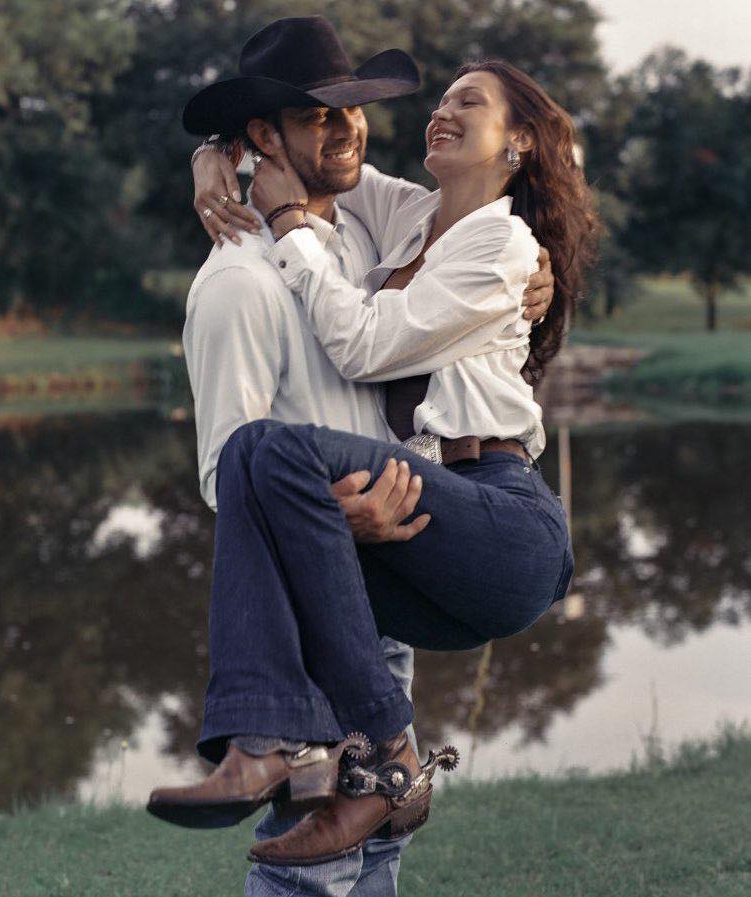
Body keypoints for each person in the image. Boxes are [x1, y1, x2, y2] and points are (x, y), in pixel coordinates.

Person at [149, 16, 561, 891]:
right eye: (318, 115)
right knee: (330, 864)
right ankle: (286, 743)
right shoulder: (239, 283)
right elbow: (229, 478)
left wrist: (532, 267)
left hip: (435, 531)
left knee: (359, 855)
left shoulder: (374, 234)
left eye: (354, 109)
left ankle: (298, 746)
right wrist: (215, 157)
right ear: (267, 136)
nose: (347, 130)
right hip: (338, 581)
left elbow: (385, 321)